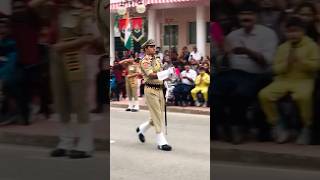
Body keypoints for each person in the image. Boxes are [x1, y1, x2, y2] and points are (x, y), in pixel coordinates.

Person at [212, 1, 278, 144]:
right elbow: (222, 58)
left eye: (249, 14)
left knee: (240, 92)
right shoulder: (233, 35)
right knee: (213, 88)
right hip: (234, 73)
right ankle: (223, 127)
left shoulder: (267, 34)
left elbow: (266, 62)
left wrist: (247, 51)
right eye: (242, 14)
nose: (246, 17)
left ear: (256, 16)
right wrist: (221, 52)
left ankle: (238, 128)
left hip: (258, 75)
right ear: (238, 17)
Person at [259, 16, 320, 145]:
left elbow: (316, 66)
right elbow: (275, 69)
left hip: (304, 80)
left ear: (303, 31)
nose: (293, 34)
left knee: (303, 97)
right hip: (283, 80)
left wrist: (301, 62)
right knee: (264, 95)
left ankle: (306, 127)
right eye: (290, 31)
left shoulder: (311, 45)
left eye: (296, 31)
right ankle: (277, 125)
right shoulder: (283, 47)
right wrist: (286, 64)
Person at [50, 0, 99, 159]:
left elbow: (90, 37)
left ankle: (86, 144)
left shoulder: (83, 12)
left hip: (74, 58)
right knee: (61, 101)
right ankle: (65, 142)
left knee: (79, 101)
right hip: (56, 58)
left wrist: (64, 46)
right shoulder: (55, 11)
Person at [136, 39, 175, 151]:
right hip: (151, 90)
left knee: (157, 115)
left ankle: (141, 129)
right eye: (151, 46)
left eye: (154, 46)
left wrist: (170, 75)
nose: (154, 48)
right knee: (157, 115)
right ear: (146, 49)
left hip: (160, 90)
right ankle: (161, 141)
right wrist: (165, 73)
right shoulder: (144, 61)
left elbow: (162, 75)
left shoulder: (158, 60)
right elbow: (151, 75)